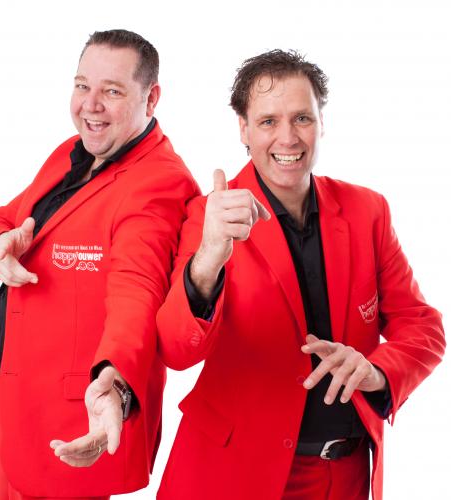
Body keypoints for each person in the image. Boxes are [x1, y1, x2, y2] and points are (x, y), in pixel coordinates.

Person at [155, 50, 445, 500]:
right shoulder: (209, 217)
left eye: (302, 118)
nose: (288, 138)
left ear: (321, 123)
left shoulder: (368, 210)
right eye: (268, 121)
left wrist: (377, 371)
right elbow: (176, 350)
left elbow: (423, 327)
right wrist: (209, 257)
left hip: (344, 476)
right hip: (233, 473)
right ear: (244, 129)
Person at [0, 29, 199, 500]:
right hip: (21, 416)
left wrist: (115, 382)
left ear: (151, 98)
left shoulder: (157, 183)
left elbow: (136, 291)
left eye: (112, 91)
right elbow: (3, 218)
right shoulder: (72, 152)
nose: (90, 105)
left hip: (76, 430)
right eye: (82, 86)